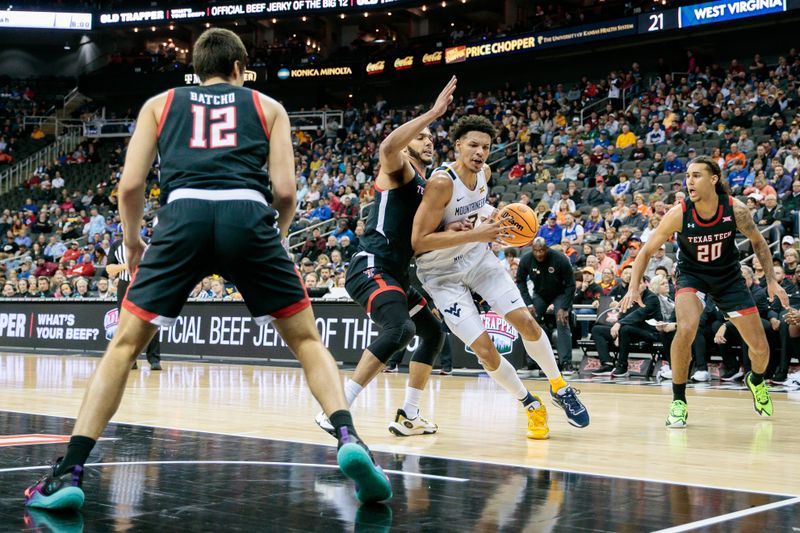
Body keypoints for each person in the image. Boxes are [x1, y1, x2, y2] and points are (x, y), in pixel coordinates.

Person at [24, 28, 391, 511]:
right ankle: (348, 437)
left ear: (195, 69)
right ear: (240, 68)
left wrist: (133, 241)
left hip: (184, 215)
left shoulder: (160, 103)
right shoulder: (268, 107)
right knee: (306, 341)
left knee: (125, 346)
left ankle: (69, 471)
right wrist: (273, 235)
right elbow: (285, 193)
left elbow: (130, 187)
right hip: (248, 214)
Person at [411, 115, 590, 440]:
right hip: (440, 275)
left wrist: (495, 219)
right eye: (473, 145)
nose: (480, 152)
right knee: (484, 349)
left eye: (486, 147)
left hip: (477, 259)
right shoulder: (442, 183)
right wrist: (475, 232)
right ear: (457, 146)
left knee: (528, 322)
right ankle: (530, 405)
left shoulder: (484, 174)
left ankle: (559, 386)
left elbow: (477, 214)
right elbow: (419, 242)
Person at [315, 78, 455, 438]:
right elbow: (388, 145)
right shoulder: (398, 171)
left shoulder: (430, 188)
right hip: (371, 265)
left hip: (397, 273)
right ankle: (337, 407)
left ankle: (409, 415)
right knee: (400, 329)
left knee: (431, 332)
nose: (429, 141)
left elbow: (420, 243)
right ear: (409, 145)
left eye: (431, 137)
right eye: (422, 137)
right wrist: (433, 113)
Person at [620, 156, 789, 428]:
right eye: (687, 176)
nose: (689, 181)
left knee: (760, 348)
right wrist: (632, 286)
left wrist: (771, 280)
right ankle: (678, 400)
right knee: (686, 328)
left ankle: (756, 381)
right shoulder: (679, 213)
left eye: (696, 175)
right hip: (692, 276)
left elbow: (759, 243)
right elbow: (646, 251)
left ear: (713, 179)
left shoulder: (736, 209)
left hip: (729, 278)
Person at [516, 238, 577, 372]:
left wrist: (564, 307)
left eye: (542, 250)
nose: (539, 254)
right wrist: (528, 303)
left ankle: (566, 363)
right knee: (529, 323)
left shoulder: (560, 259)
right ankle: (531, 362)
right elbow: (520, 281)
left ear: (547, 249)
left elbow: (571, 284)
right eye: (536, 251)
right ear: (532, 250)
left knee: (562, 321)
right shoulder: (526, 259)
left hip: (560, 294)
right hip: (540, 294)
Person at [107, 234, 162, 370]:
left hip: (146, 282)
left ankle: (154, 359)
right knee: (125, 323)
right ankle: (130, 360)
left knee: (151, 321)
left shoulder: (149, 242)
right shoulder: (116, 245)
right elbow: (110, 269)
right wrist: (128, 264)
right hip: (125, 284)